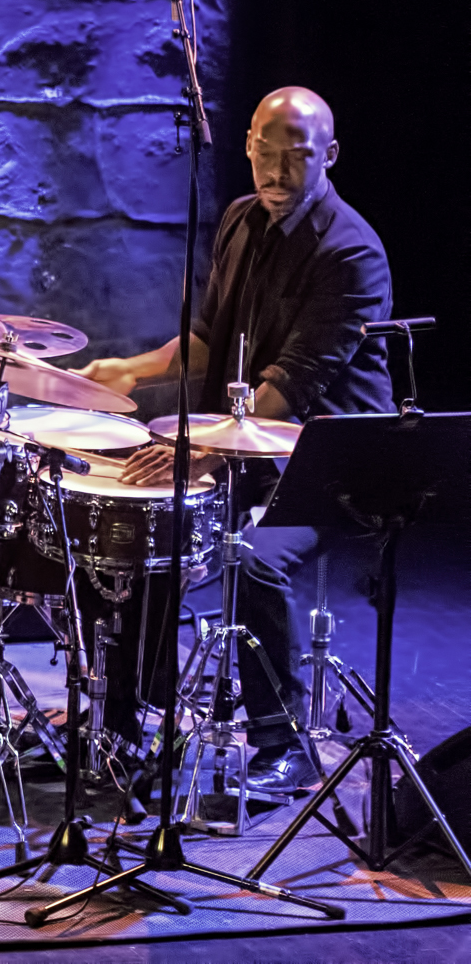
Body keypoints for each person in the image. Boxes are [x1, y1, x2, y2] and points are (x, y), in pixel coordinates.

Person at [80, 86, 391, 792]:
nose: (277, 173)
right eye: (266, 154)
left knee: (254, 560)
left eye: (296, 158)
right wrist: (129, 370)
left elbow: (290, 388)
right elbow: (207, 340)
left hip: (328, 460)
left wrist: (201, 453)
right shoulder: (240, 220)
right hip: (251, 446)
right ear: (247, 145)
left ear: (330, 156)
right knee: (140, 521)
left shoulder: (351, 255)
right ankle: (132, 719)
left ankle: (285, 744)